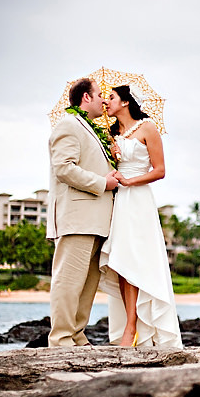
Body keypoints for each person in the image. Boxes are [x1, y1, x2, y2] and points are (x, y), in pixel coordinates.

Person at [99, 85, 183, 348]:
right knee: (122, 264)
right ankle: (129, 325)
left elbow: (160, 170)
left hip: (138, 201)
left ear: (125, 102)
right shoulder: (111, 134)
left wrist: (130, 180)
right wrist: (112, 161)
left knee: (136, 261)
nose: (106, 102)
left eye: (111, 97)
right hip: (119, 202)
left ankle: (132, 329)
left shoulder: (147, 128)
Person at [46, 77, 119, 347]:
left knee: (88, 283)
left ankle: (76, 333)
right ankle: (61, 337)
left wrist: (109, 175)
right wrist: (103, 183)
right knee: (69, 280)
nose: (103, 99)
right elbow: (64, 168)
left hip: (96, 221)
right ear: (85, 98)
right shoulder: (68, 124)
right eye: (100, 94)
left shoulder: (89, 129)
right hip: (77, 219)